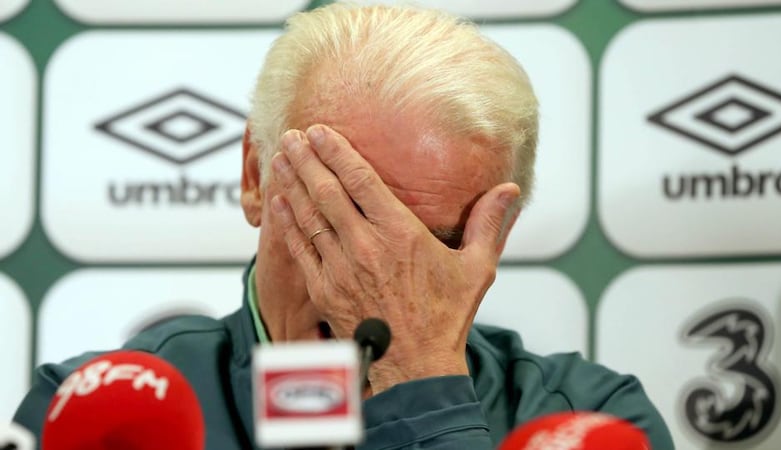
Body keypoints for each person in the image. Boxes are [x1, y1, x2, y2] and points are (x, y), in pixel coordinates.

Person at [15, 3, 674, 449]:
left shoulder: (587, 420)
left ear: (493, 242)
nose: (368, 285)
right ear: (254, 175)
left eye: (430, 245)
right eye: (338, 218)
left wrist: (421, 385)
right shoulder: (90, 415)